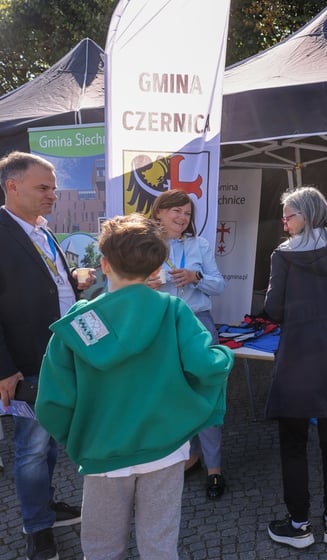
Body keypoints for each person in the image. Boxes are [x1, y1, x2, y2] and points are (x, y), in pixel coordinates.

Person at [34, 213, 234, 559]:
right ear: (156, 269)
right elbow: (206, 366)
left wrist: (80, 437)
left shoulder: (79, 322)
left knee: (101, 548)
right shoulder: (173, 310)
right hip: (165, 448)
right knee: (159, 545)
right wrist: (225, 355)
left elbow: (51, 401)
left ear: (105, 264)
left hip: (102, 451)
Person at [263, 186, 327, 549]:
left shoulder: (284, 255)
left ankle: (299, 525)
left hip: (298, 360)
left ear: (306, 215)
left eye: (288, 216)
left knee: (293, 444)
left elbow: (273, 309)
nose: (284, 224)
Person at [0, 151, 94, 560]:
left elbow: (42, 283)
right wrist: (4, 369)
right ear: (12, 186)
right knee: (33, 449)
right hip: (27, 363)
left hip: (59, 357)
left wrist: (72, 280)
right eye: (43, 187)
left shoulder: (42, 228)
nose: (52, 195)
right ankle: (37, 529)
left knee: (50, 440)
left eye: (54, 188)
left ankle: (47, 506)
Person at [148, 189, 228, 499]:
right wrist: (158, 280)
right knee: (171, 397)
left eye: (187, 213)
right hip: (162, 326)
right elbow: (129, 284)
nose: (183, 218)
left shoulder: (199, 245)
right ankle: (186, 457)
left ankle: (214, 468)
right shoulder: (146, 244)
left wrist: (196, 277)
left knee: (206, 394)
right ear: (159, 212)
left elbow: (219, 285)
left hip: (198, 325)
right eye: (176, 211)